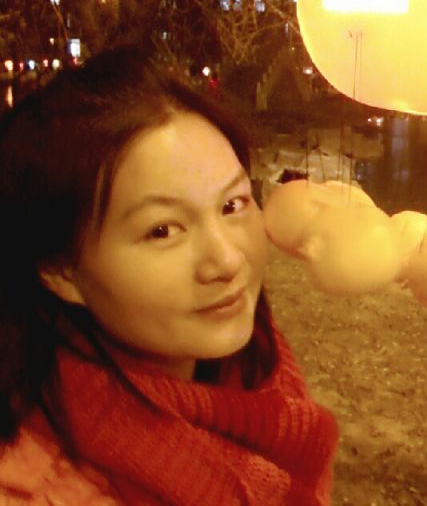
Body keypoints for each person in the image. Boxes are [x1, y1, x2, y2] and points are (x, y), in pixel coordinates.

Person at [0, 47, 338, 505]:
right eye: (163, 230)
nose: (227, 261)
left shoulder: (258, 379)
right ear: (61, 272)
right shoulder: (38, 487)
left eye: (233, 204)